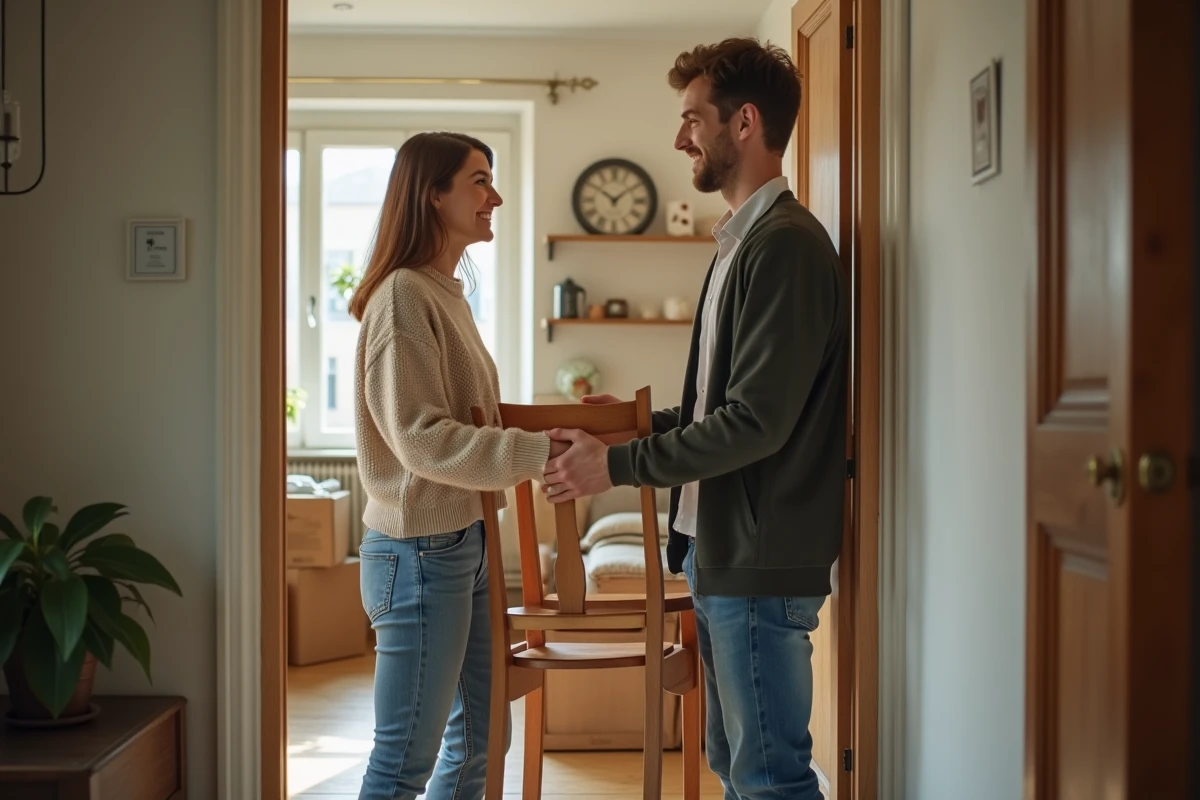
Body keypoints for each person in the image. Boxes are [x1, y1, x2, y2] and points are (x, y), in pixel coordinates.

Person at [540, 39, 848, 800]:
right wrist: (629, 428)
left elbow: (754, 423)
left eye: (692, 120)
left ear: (743, 123)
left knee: (769, 778)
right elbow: (722, 403)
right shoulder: (741, 246)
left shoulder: (784, 248)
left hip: (759, 559)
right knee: (736, 767)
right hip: (724, 555)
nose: (681, 140)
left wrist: (612, 468)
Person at [349, 131, 566, 800]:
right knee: (403, 763)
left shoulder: (444, 294)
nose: (493, 196)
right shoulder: (402, 298)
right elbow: (420, 438)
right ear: (432, 193)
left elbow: (473, 417)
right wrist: (538, 453)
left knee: (480, 744)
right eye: (479, 180)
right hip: (419, 552)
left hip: (460, 540)